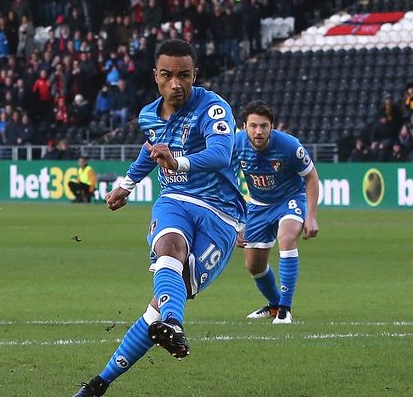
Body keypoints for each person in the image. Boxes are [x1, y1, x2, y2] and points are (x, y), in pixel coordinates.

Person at [73, 39, 245, 396]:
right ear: (156, 77)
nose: (176, 83)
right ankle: (170, 328)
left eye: (183, 75)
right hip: (175, 199)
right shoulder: (149, 115)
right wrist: (127, 184)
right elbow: (151, 148)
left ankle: (102, 381)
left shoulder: (213, 108)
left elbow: (220, 153)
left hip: (221, 214)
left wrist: (178, 161)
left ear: (194, 74)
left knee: (157, 309)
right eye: (167, 75)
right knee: (168, 246)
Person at [233, 100, 319, 324]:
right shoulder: (235, 144)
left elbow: (311, 177)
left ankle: (284, 310)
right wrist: (235, 222)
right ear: (244, 127)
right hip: (258, 206)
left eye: (263, 126)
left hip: (289, 200)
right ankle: (274, 304)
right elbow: (226, 181)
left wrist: (310, 216)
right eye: (253, 126)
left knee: (287, 237)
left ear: (272, 126)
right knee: (254, 265)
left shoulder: (290, 146)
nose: (258, 131)